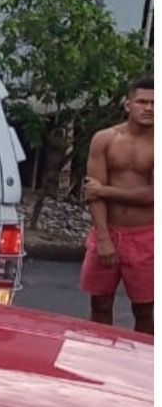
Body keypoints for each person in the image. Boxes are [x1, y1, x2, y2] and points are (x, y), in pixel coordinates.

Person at [81, 76, 154, 335]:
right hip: (108, 229)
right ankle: (101, 359)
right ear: (127, 104)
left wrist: (106, 190)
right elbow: (93, 193)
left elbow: (153, 195)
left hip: (147, 235)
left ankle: (145, 366)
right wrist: (103, 237)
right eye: (142, 102)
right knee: (100, 303)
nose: (149, 108)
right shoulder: (105, 139)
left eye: (155, 103)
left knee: (147, 309)